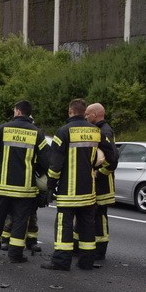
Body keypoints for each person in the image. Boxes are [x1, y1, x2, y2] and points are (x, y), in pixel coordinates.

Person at [41, 98, 116, 271]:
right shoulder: (97, 132)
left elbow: (56, 163)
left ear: (70, 111)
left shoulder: (63, 131)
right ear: (83, 112)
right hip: (89, 191)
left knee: (64, 226)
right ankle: (86, 262)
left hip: (68, 191)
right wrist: (98, 172)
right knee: (87, 227)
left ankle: (61, 261)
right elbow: (111, 158)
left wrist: (51, 185)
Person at [0, 100, 48, 263]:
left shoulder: (3, 129)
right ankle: (15, 254)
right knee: (21, 221)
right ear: (28, 113)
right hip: (25, 189)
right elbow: (46, 160)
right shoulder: (37, 133)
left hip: (3, 187)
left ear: (17, 112)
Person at [85, 102, 116, 262]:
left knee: (100, 217)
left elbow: (112, 159)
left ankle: (100, 250)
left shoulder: (105, 131)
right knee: (92, 215)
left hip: (103, 185)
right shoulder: (99, 130)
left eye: (87, 114)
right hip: (96, 184)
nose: (85, 117)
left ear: (95, 115)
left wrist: (99, 174)